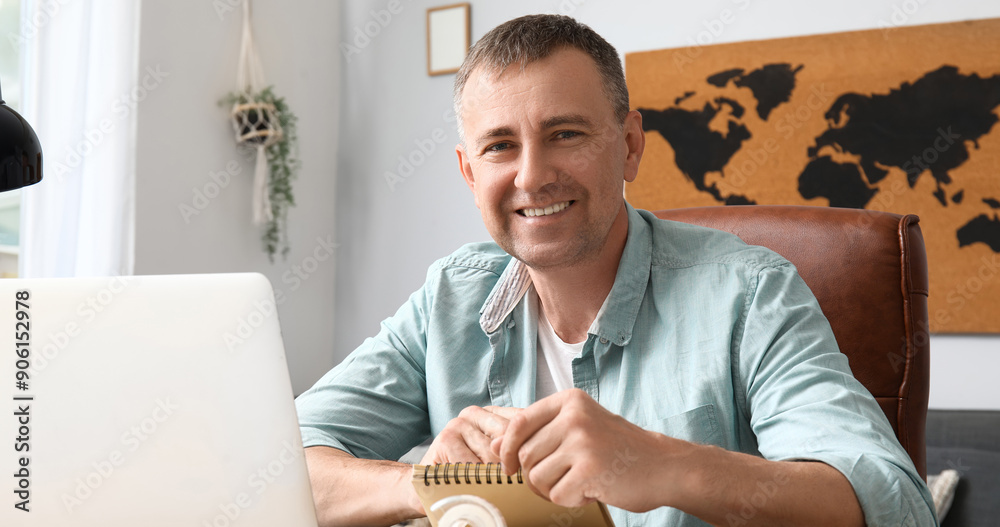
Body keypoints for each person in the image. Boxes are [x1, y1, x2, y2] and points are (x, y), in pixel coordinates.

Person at [296, 14, 936, 527]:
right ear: (469, 172)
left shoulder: (750, 292)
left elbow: (895, 506)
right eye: (500, 146)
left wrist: (661, 466)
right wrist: (428, 486)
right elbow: (274, 466)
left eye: (566, 133)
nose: (531, 176)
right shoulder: (450, 297)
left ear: (629, 145)